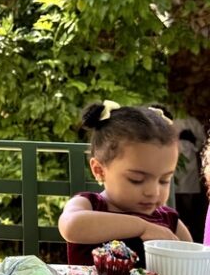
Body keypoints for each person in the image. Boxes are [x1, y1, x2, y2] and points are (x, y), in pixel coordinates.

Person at [59, 100, 193, 266]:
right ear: (99, 171)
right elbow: (71, 226)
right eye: (137, 179)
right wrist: (142, 227)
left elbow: (194, 261)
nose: (154, 192)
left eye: (164, 180)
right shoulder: (89, 205)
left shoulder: (170, 221)